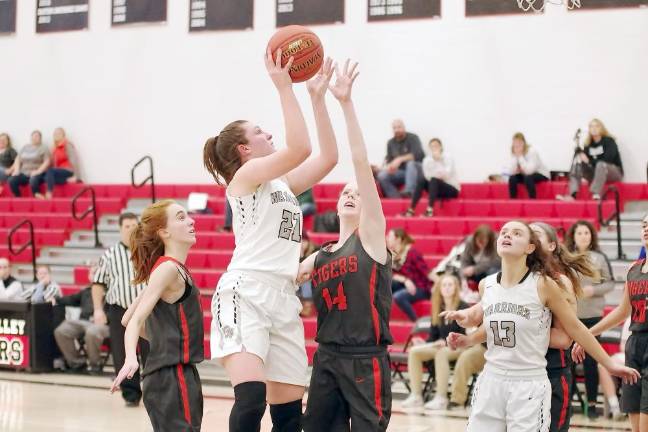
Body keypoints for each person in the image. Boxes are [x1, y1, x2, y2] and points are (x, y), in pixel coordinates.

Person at [204, 53, 338, 432]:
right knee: (250, 400)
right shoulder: (245, 179)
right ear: (244, 150)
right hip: (245, 293)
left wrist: (317, 99)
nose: (269, 135)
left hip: (283, 297)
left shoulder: (282, 185)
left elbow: (328, 157)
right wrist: (284, 86)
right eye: (260, 132)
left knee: (289, 415)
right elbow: (299, 149)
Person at [445, 220, 639, 432]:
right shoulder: (488, 284)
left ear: (531, 247)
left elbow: (574, 330)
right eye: (504, 232)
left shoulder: (546, 284)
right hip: (492, 377)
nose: (508, 235)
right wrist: (467, 337)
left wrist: (609, 365)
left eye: (517, 233)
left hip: (530, 381)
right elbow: (493, 324)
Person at [297, 59, 393, 432]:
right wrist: (314, 98)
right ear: (336, 204)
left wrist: (344, 103)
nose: (353, 194)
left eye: (358, 192)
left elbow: (359, 162)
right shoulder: (319, 255)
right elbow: (285, 278)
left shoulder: (370, 239)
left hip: (364, 359)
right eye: (345, 192)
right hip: (326, 358)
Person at [111, 200, 204, 431]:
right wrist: (130, 358)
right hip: (171, 375)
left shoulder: (167, 269)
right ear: (164, 232)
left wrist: (165, 338)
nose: (191, 220)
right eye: (181, 217)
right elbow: (134, 322)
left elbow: (126, 319)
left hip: (171, 374)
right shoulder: (168, 269)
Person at [572, 213, 648, 432]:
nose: (645, 228)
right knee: (635, 423)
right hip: (634, 346)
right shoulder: (634, 269)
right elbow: (623, 311)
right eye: (643, 225)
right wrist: (588, 335)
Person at [92, 212, 148, 407]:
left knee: (151, 351)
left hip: (147, 311)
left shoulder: (148, 250)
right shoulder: (109, 255)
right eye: (127, 226)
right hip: (119, 310)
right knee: (122, 354)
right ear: (120, 229)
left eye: (134, 225)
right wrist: (98, 309)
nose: (132, 229)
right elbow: (98, 283)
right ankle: (131, 394)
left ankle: (152, 392)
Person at [565, 219, 614, 418]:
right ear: (573, 237)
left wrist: (594, 289)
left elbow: (610, 283)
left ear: (592, 235)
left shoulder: (600, 257)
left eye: (587, 233)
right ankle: (566, 402)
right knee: (567, 361)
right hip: (571, 318)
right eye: (579, 233)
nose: (583, 236)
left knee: (590, 363)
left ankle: (592, 405)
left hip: (594, 317)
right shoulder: (567, 258)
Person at [400, 273, 468, 411]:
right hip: (443, 346)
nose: (447, 288)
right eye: (444, 285)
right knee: (414, 352)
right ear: (440, 289)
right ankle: (416, 396)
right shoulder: (438, 308)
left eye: (450, 285)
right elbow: (433, 336)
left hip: (460, 346)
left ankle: (441, 398)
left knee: (441, 353)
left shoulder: (463, 306)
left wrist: (447, 342)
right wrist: (424, 343)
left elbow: (465, 334)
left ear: (456, 288)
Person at [54, 262, 110, 375]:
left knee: (92, 331)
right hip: (84, 322)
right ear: (89, 276)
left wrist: (105, 318)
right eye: (92, 272)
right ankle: (77, 363)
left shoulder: (111, 291)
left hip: (105, 325)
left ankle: (96, 365)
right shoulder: (86, 291)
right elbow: (69, 299)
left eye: (97, 272)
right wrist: (55, 299)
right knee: (61, 330)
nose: (94, 274)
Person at [558, 118, 623, 201]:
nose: (594, 128)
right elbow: (587, 163)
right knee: (577, 166)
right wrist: (582, 158)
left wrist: (589, 161)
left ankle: (596, 193)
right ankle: (572, 195)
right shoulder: (588, 144)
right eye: (591, 126)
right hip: (596, 172)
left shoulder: (609, 141)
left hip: (614, 171)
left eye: (597, 126)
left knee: (601, 164)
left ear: (601, 128)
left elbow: (608, 159)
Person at [404, 138, 459, 217]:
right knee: (422, 179)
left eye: (436, 146)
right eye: (432, 146)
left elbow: (447, 175)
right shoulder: (427, 160)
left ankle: (429, 210)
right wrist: (436, 175)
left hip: (451, 188)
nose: (434, 148)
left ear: (441, 147)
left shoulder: (448, 157)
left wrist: (439, 160)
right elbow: (427, 176)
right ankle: (411, 209)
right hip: (435, 188)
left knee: (433, 179)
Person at [387, 228, 431, 322]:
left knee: (398, 296)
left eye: (390, 236)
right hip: (405, 285)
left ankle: (416, 322)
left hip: (420, 287)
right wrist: (405, 280)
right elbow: (388, 274)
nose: (387, 238)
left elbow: (426, 272)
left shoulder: (412, 252)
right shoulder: (393, 254)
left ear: (398, 239)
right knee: (384, 283)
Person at [376, 119, 424, 198]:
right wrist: (388, 167)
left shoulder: (413, 138)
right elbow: (389, 160)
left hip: (415, 171)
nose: (397, 130)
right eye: (394, 128)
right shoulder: (390, 143)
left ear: (404, 127)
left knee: (411, 164)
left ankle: (409, 192)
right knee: (382, 175)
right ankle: (396, 198)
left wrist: (400, 159)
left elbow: (418, 155)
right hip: (401, 173)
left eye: (399, 127)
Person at [596, 318, 631, 421]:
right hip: (630, 354)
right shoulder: (630, 319)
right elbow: (623, 346)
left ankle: (628, 406)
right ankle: (615, 406)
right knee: (603, 365)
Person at [35, 127, 81, 199]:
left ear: (63, 135)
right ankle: (66, 180)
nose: (56, 135)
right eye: (55, 134)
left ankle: (49, 192)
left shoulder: (67, 145)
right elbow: (52, 163)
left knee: (50, 171)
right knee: (45, 177)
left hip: (68, 170)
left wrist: (76, 176)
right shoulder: (54, 148)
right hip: (59, 171)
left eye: (59, 133)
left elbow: (74, 160)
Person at [6, 130, 51, 198]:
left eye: (37, 136)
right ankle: (18, 198)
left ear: (40, 138)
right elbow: (18, 159)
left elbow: (47, 161)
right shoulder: (25, 147)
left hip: (37, 173)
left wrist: (38, 171)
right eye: (33, 136)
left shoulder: (43, 148)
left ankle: (37, 195)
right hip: (24, 173)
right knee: (11, 180)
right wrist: (17, 170)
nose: (35, 138)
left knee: (33, 180)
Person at [506, 132, 549, 199]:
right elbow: (512, 171)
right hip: (526, 174)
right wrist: (516, 157)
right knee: (512, 178)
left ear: (523, 143)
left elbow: (529, 171)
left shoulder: (532, 151)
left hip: (541, 174)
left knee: (528, 178)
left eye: (519, 143)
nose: (517, 146)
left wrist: (520, 156)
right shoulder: (515, 152)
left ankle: (532, 201)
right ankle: (513, 201)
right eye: (515, 144)